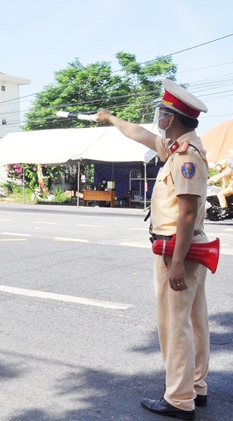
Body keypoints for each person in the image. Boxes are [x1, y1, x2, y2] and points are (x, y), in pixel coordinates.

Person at [96, 79, 209, 421]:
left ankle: (179, 400)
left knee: (174, 325)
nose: (156, 117)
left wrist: (176, 263)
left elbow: (187, 212)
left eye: (161, 111)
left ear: (170, 118)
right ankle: (196, 387)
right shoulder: (179, 147)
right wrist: (111, 118)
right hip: (187, 248)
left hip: (178, 250)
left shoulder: (186, 157)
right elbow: (139, 135)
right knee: (195, 320)